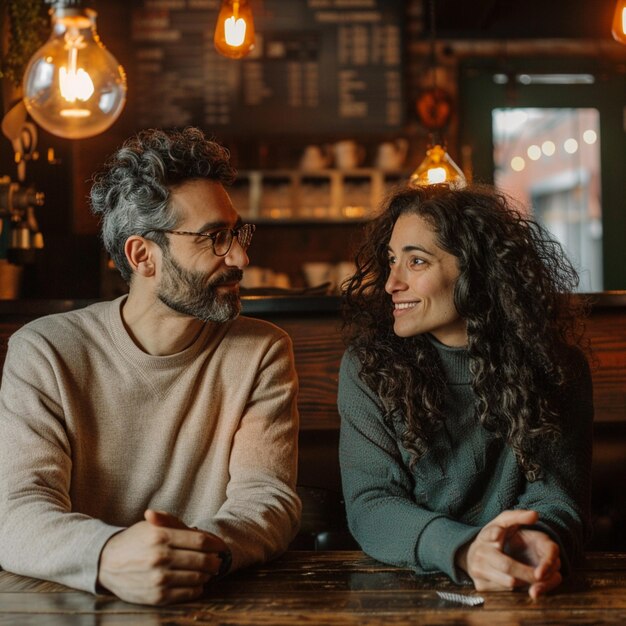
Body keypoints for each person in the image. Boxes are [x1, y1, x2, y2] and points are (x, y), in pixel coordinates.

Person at [0, 127, 301, 605]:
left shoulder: (260, 350)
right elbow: (17, 515)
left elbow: (266, 500)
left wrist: (196, 554)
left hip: (212, 599)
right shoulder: (45, 351)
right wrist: (111, 555)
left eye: (236, 232)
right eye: (214, 238)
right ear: (143, 255)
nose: (241, 256)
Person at [338, 183, 593, 599]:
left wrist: (540, 540)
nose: (390, 283)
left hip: (522, 585)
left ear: (475, 270)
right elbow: (372, 504)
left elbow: (556, 497)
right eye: (390, 261)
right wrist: (465, 550)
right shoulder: (369, 369)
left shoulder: (556, 368)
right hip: (403, 594)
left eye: (416, 261)